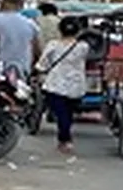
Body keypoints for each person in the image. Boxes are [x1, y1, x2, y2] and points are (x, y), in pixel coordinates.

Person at [36, 16, 91, 155]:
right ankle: (65, 139)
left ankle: (65, 139)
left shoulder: (53, 45)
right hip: (76, 86)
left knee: (61, 114)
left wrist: (38, 69)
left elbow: (43, 63)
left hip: (55, 84)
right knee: (68, 114)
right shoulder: (83, 47)